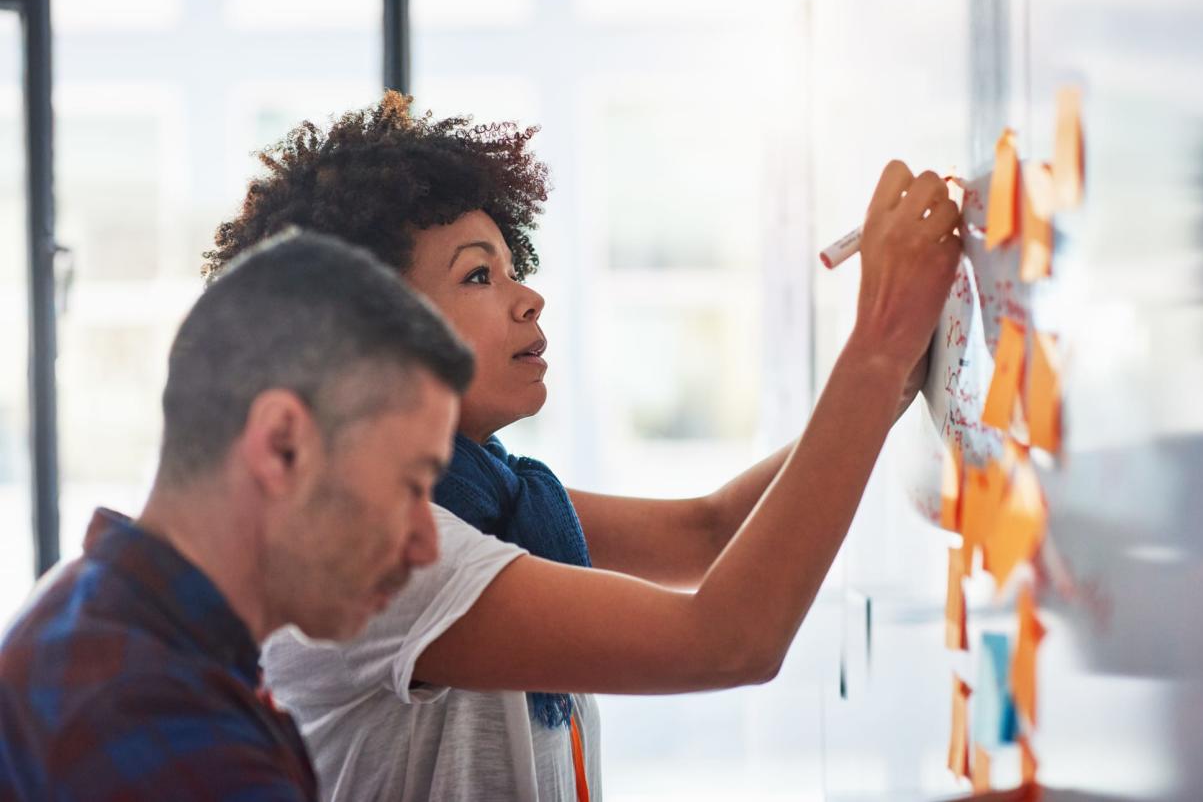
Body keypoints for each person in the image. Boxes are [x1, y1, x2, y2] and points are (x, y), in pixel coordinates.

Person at [205, 92, 962, 802]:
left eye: (513, 267)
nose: (527, 296)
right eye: (478, 274)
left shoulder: (493, 501)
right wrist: (875, 343)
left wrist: (891, 378)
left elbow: (709, 530)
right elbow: (730, 640)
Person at [0, 230, 480, 800]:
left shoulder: (112, 625)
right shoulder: (156, 718)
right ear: (282, 446)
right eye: (410, 485)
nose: (426, 544)